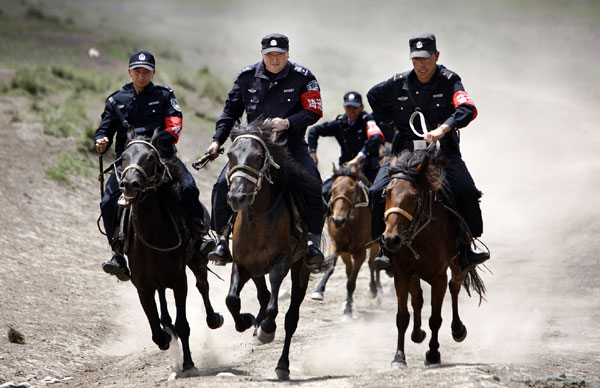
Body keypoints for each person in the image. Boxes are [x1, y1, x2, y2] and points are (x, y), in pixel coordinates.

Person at [367, 33, 489, 272]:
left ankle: (466, 247)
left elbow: (467, 108)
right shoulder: (399, 82)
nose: (421, 64)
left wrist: (444, 128)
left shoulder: (449, 80)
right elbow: (373, 96)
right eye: (416, 59)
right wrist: (393, 124)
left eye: (426, 59)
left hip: (442, 153)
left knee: (465, 191)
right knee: (375, 191)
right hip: (404, 153)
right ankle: (383, 247)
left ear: (436, 56)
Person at [206, 33, 325, 268]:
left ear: (288, 54)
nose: (275, 59)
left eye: (279, 54)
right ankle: (220, 240)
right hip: (252, 147)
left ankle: (312, 244)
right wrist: (217, 141)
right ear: (262, 55)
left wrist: (287, 123)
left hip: (290, 145)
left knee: (313, 183)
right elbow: (230, 112)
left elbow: (314, 111)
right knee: (221, 185)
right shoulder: (247, 76)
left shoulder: (303, 77)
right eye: (270, 55)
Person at [95, 50, 214, 281]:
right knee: (108, 201)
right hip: (128, 163)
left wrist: (162, 141)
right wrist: (101, 140)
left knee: (188, 188)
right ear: (130, 72)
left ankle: (200, 236)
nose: (141, 76)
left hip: (162, 158)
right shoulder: (116, 100)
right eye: (137, 71)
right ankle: (117, 253)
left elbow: (175, 124)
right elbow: (104, 128)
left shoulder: (164, 95)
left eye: (146, 72)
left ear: (153, 73)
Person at [307, 91, 384, 200]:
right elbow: (313, 131)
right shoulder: (340, 123)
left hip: (369, 171)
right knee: (323, 193)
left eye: (355, 107)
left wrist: (359, 158)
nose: (351, 111)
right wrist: (313, 153)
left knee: (377, 194)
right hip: (346, 171)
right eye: (348, 107)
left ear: (361, 108)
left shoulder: (368, 121)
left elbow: (376, 137)